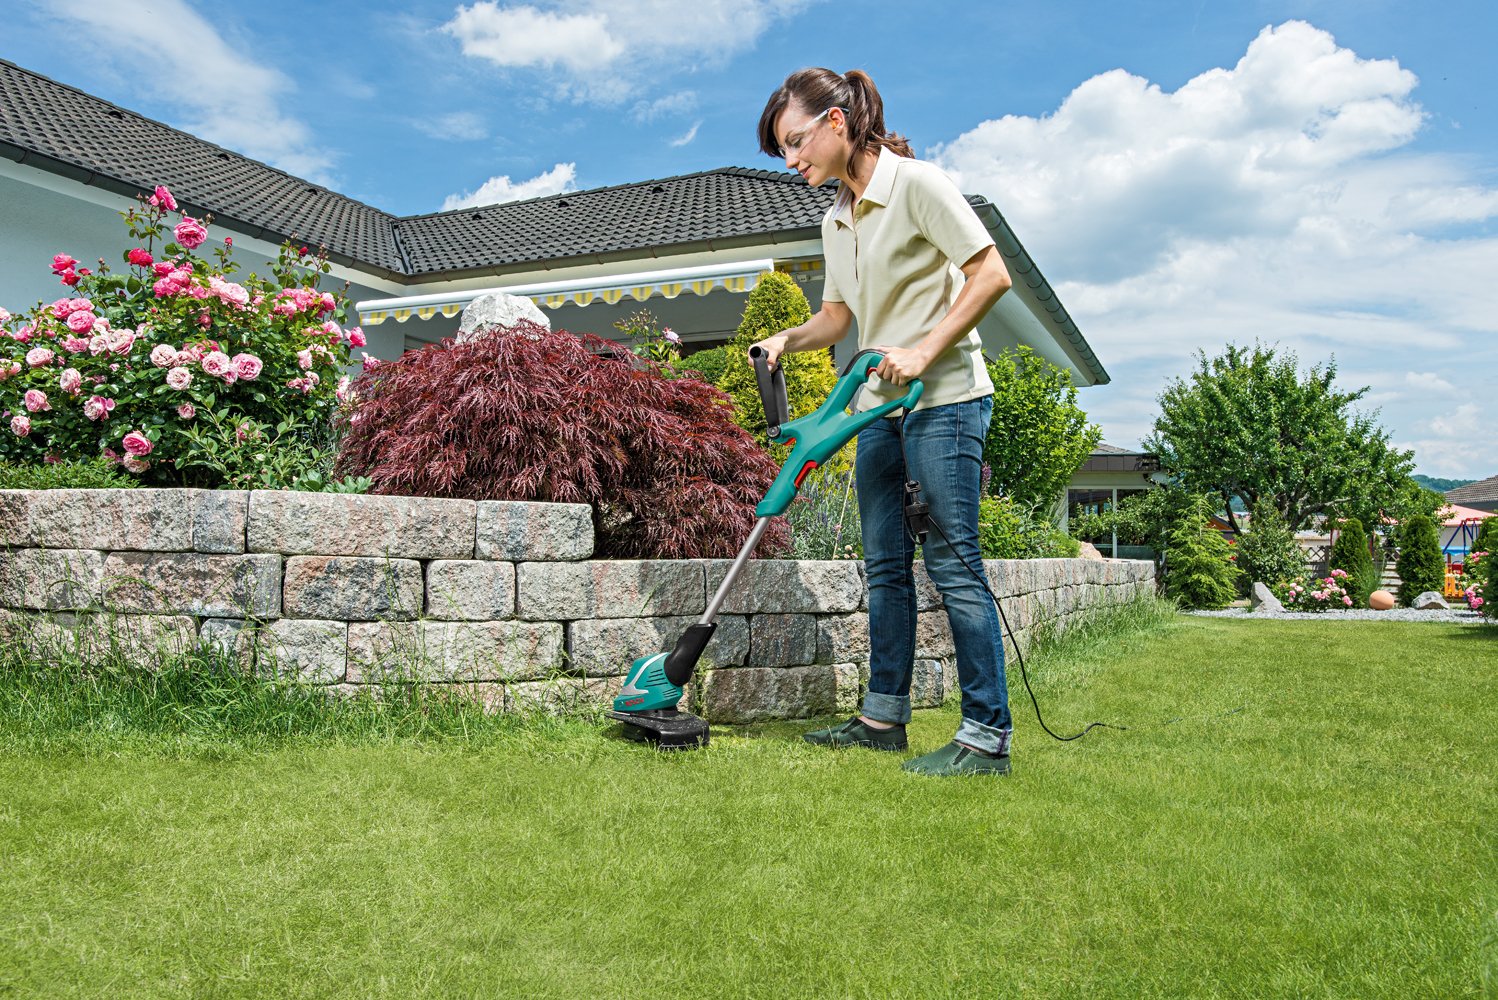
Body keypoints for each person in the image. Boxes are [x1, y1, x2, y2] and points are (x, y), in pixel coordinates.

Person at [752, 68, 1016, 776]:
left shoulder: (919, 186)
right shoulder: (835, 218)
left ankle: (987, 735)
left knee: (952, 564)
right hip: (877, 409)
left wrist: (926, 348)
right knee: (884, 567)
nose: (791, 159)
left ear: (837, 123)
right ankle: (882, 718)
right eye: (782, 149)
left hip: (946, 398)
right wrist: (787, 339)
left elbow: (990, 273)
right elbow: (839, 318)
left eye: (797, 141)